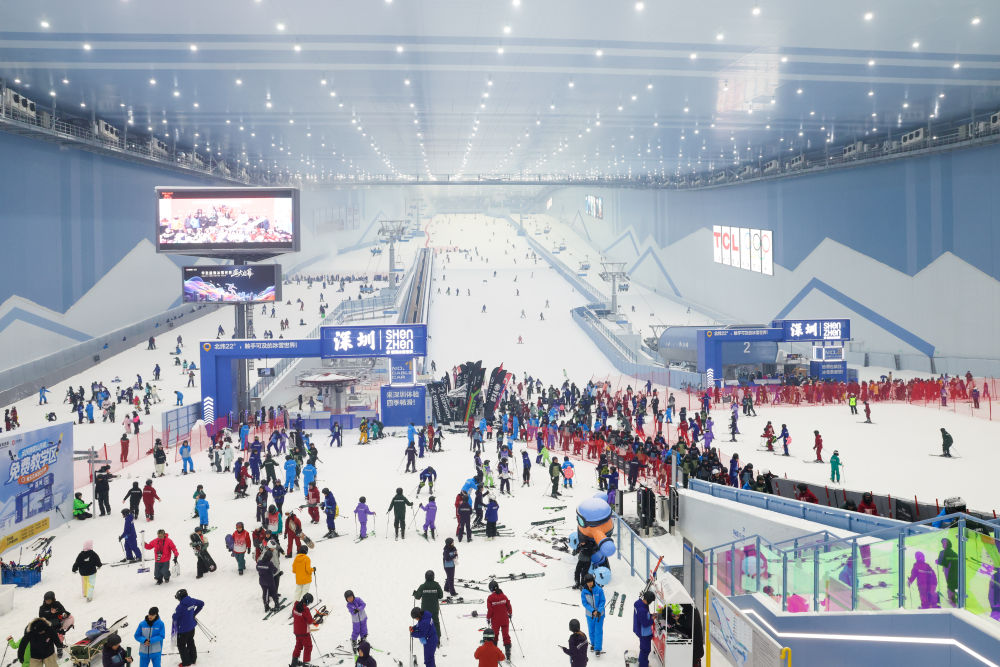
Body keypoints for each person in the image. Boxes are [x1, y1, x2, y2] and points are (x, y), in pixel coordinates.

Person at [172, 589, 204, 667]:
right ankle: (193, 659)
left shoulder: (180, 607)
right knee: (190, 642)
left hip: (182, 631)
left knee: (181, 645)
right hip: (191, 628)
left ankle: (186, 663)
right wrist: (194, 613)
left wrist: (174, 615)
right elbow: (202, 603)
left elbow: (175, 617)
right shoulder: (192, 601)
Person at [412, 570, 444, 639]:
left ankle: (426, 636)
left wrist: (415, 593)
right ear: (433, 577)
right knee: (435, 622)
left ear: (425, 577)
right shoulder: (436, 585)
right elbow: (441, 596)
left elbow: (417, 597)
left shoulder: (423, 586)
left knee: (425, 622)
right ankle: (437, 638)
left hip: (425, 609)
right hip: (434, 608)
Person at [486, 580, 513, 660]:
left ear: (491, 589)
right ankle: (508, 653)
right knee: (506, 635)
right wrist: (510, 613)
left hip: (495, 621)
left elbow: (490, 610)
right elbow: (509, 606)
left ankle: (494, 652)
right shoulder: (504, 596)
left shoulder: (490, 598)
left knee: (495, 635)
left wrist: (488, 618)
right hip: (505, 619)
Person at [580, 573, 606, 656]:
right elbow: (584, 603)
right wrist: (592, 611)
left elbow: (602, 601)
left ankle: (598, 648)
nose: (590, 583)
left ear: (593, 581)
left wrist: (599, 611)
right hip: (589, 615)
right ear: (586, 583)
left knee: (598, 631)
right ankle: (593, 644)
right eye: (588, 582)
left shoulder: (599, 590)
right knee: (591, 630)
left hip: (599, 615)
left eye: (591, 581)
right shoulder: (584, 592)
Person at [291, 593, 319, 667]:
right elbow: (310, 621)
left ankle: (294, 661)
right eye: (309, 603)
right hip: (304, 632)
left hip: (297, 631)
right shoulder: (305, 609)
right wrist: (314, 621)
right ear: (307, 602)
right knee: (308, 646)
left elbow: (294, 614)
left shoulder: (295, 605)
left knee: (298, 646)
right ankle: (306, 663)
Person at [632, 590, 656, 667]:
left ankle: (642, 661)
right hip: (643, 632)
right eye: (651, 601)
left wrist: (651, 615)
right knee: (646, 650)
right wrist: (652, 619)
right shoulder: (642, 609)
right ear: (648, 600)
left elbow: (644, 617)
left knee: (644, 648)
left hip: (640, 629)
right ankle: (643, 665)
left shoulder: (640, 604)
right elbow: (645, 623)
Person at [936, 538, 959, 606]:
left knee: (950, 585)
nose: (943, 544)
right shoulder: (954, 553)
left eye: (944, 543)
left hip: (950, 572)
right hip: (955, 572)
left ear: (948, 543)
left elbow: (941, 562)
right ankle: (954, 598)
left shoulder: (943, 552)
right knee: (953, 585)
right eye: (942, 543)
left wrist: (937, 561)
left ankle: (952, 600)